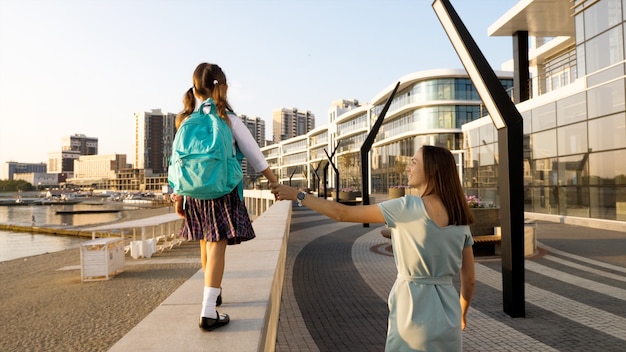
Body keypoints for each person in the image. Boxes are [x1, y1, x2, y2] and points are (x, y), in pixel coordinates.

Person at [271, 145, 476, 351]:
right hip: (449, 319)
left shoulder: (406, 207)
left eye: (414, 162)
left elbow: (342, 213)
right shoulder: (460, 216)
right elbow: (469, 280)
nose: (408, 168)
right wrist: (461, 314)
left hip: (413, 315)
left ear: (432, 170)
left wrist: (298, 195)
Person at [172, 62, 278, 332]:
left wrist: (177, 196)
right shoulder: (228, 119)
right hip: (223, 189)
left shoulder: (184, 120)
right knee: (217, 242)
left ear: (195, 92)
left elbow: (175, 161)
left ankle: (213, 290)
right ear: (224, 87)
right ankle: (208, 311)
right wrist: (275, 183)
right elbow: (255, 155)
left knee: (206, 241)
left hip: (192, 191)